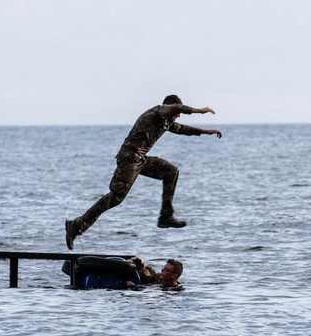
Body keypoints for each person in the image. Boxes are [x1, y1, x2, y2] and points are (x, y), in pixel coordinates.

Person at [65, 95, 222, 250]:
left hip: (141, 159)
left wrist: (206, 131)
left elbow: (182, 129)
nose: (178, 116)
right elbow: (176, 108)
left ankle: (166, 217)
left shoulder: (166, 121)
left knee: (171, 171)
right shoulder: (157, 111)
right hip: (129, 158)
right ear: (168, 108)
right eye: (176, 113)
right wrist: (201, 111)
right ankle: (77, 225)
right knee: (116, 198)